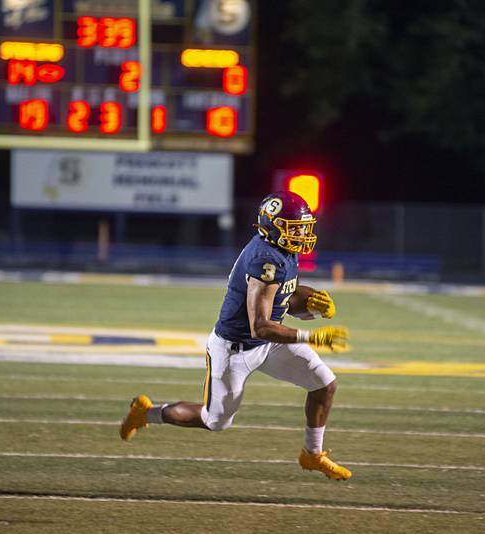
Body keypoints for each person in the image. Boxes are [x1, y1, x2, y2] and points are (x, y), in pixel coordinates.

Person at [120, 191, 352, 480]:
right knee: (214, 420)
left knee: (324, 384)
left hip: (268, 344)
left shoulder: (281, 250)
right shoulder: (265, 259)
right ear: (273, 226)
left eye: (303, 226)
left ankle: (312, 454)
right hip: (236, 349)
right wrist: (311, 336)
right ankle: (147, 413)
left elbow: (282, 300)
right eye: (295, 227)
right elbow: (261, 325)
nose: (303, 233)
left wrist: (310, 303)